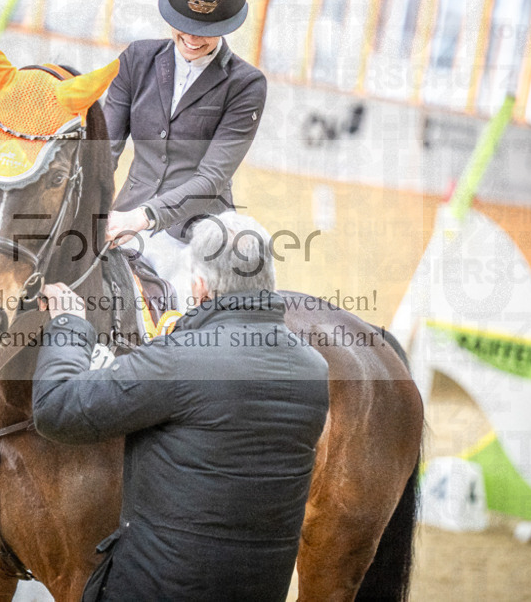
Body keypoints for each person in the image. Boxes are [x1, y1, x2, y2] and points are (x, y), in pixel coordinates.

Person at [34, 213, 329, 602]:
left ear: (200, 287)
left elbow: (57, 407)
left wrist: (70, 325)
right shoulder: (313, 368)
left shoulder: (178, 359)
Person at [102, 0, 268, 310]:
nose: (193, 38)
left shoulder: (246, 85)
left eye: (207, 30)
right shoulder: (136, 60)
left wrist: (144, 217)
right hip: (124, 220)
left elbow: (211, 178)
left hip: (195, 235)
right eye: (186, 25)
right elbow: (104, 150)